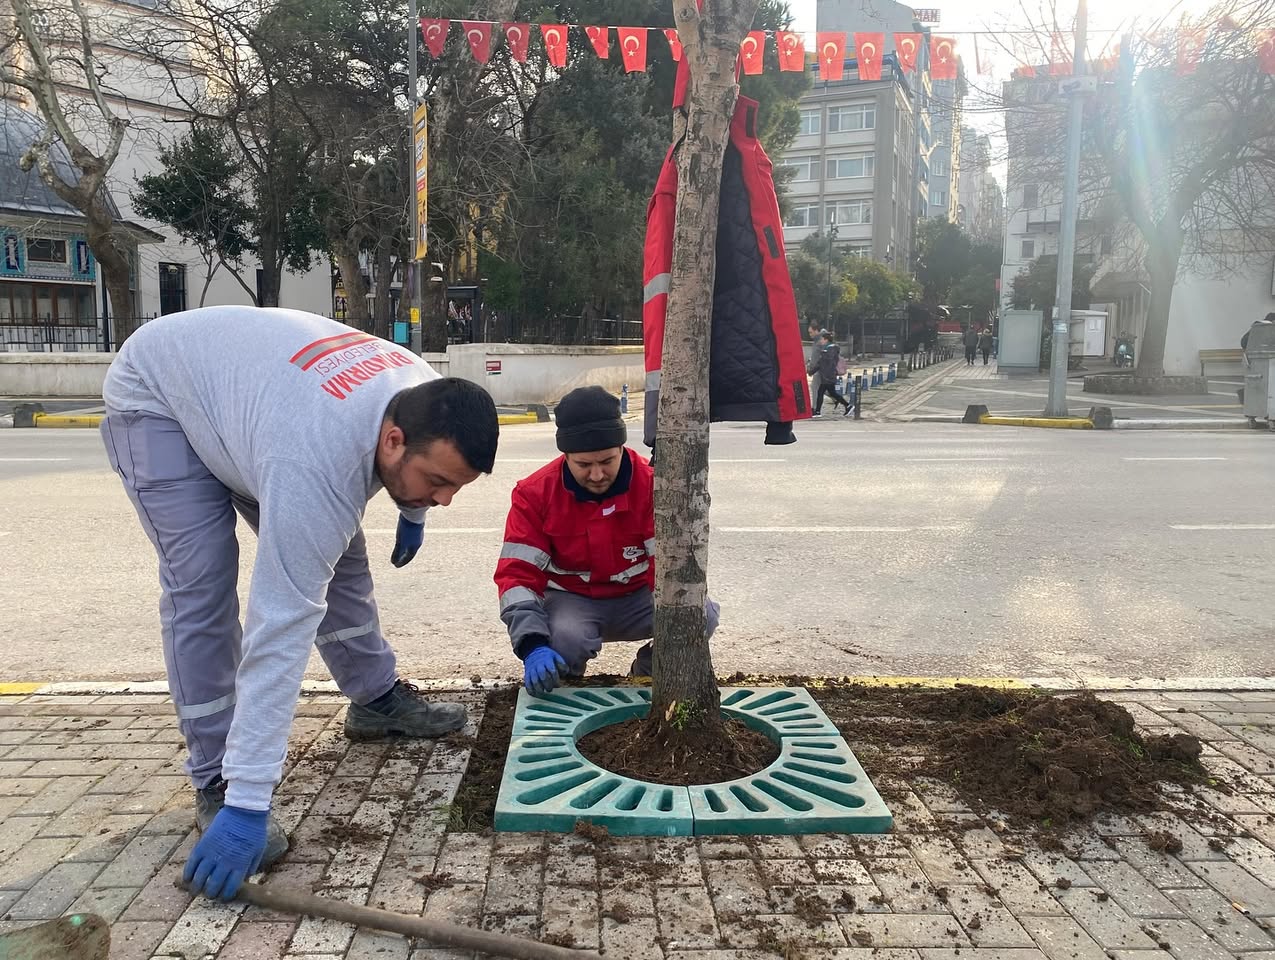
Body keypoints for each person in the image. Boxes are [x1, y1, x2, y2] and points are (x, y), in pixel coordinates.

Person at [100, 306, 499, 902]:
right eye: (437, 484)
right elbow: (279, 626)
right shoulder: (314, 458)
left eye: (453, 489)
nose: (444, 501)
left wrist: (412, 509)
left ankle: (375, 700)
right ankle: (216, 780)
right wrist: (248, 800)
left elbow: (416, 467)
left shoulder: (420, 390)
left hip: (252, 403)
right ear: (392, 440)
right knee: (203, 585)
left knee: (342, 557)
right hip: (160, 398)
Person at [495, 386, 720, 695]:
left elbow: (668, 569)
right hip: (572, 601)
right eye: (584, 465)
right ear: (566, 455)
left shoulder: (654, 486)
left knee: (700, 617)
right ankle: (564, 686)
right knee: (563, 642)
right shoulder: (534, 494)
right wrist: (532, 644)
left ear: (621, 449)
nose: (598, 475)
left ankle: (648, 673)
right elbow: (517, 577)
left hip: (638, 596)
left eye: (607, 461)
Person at [813, 333, 852, 417]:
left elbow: (826, 364)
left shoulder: (829, 350)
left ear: (826, 340)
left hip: (827, 376)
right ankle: (848, 406)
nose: (821, 341)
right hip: (829, 376)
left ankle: (817, 412)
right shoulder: (828, 349)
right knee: (832, 393)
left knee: (821, 392)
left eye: (822, 339)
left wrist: (822, 354)